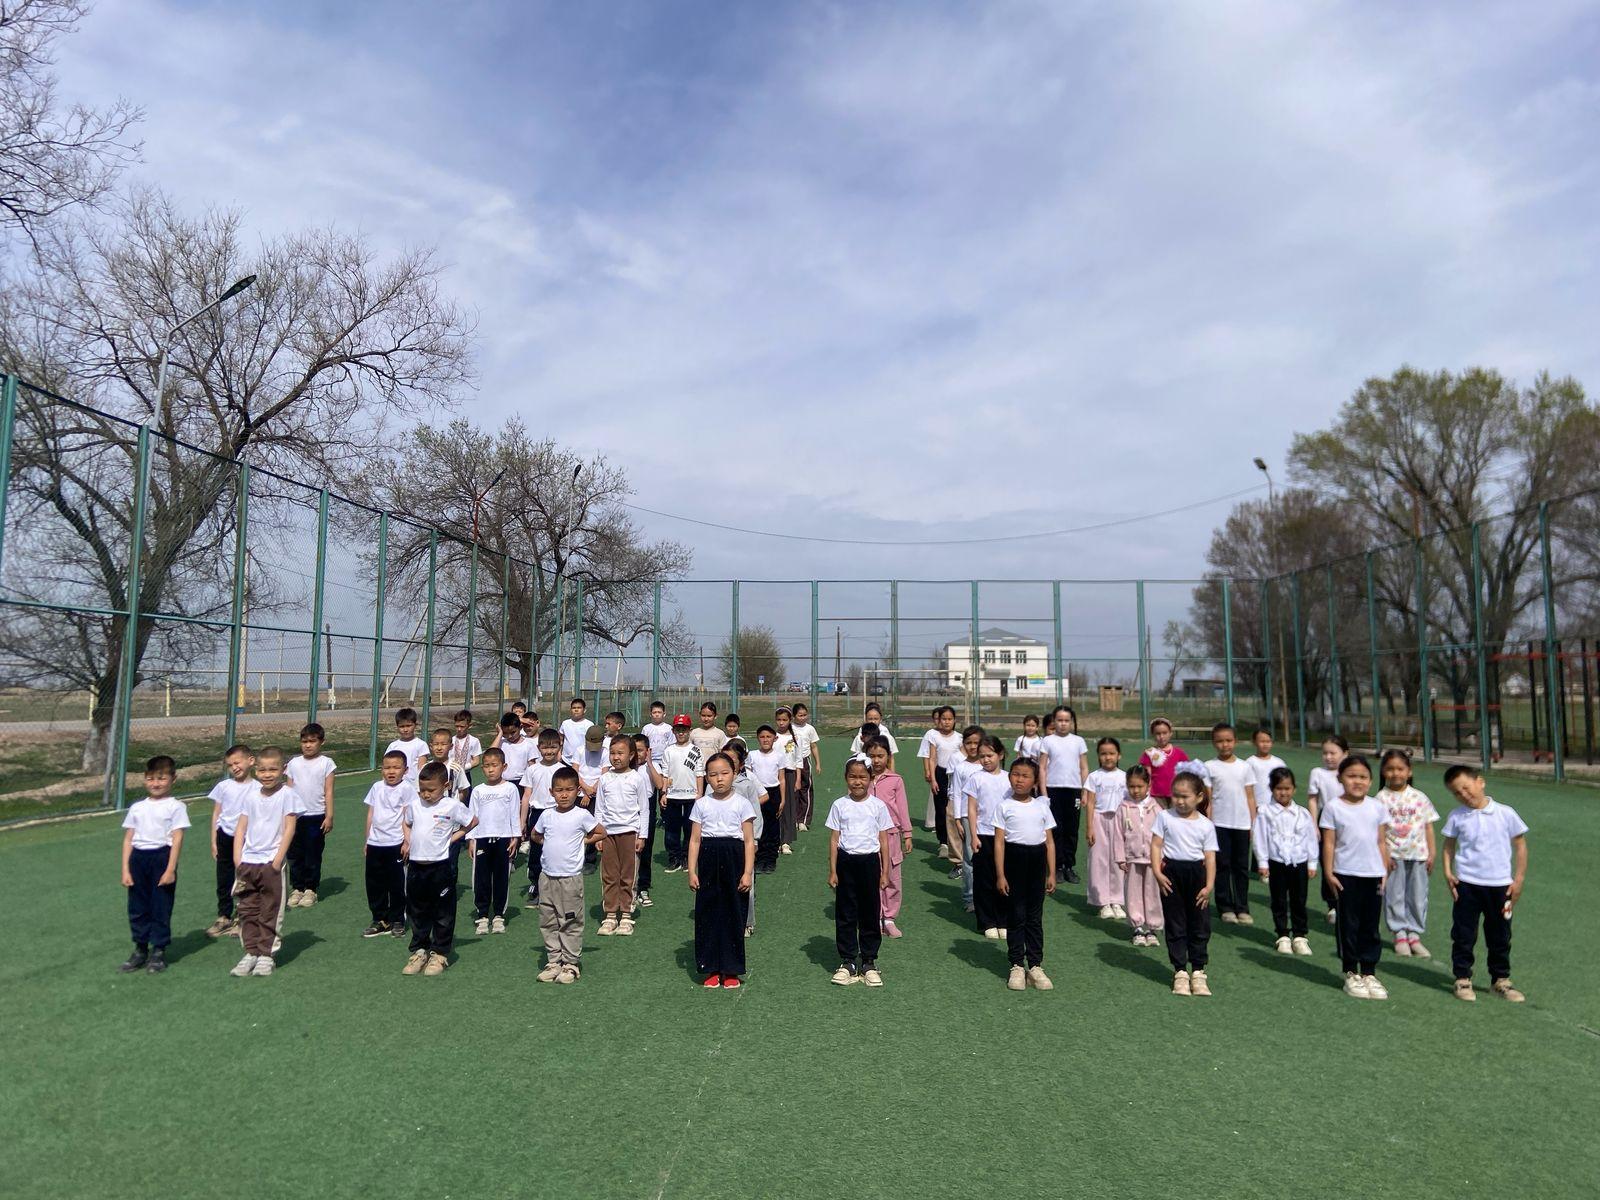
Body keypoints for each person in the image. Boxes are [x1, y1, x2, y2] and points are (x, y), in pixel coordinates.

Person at [1441, 764, 1529, 1003]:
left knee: (1500, 934)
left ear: (1480, 782)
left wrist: (1518, 879)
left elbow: (1520, 846)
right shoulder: (1457, 816)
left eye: (1466, 787)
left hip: (1500, 886)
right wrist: (1448, 872)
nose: (1464, 794)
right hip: (1467, 885)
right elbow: (1448, 846)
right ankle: (1462, 978)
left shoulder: (1505, 813)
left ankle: (1500, 980)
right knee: (1464, 933)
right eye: (1457, 792)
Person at [1319, 755, 1392, 1000]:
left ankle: (1369, 972)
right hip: (1345, 874)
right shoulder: (1333, 807)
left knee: (1370, 925)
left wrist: (1384, 871)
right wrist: (1328, 872)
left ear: (1370, 781)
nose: (1357, 781)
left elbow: (1381, 841)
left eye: (1363, 777)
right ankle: (1351, 971)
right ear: (1340, 779)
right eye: (1351, 776)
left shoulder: (1377, 807)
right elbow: (1329, 843)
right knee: (1348, 924)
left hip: (1373, 874)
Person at [231, 746, 302, 978]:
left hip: (271, 862)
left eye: (273, 769)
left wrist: (278, 859)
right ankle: (250, 952)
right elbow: (241, 827)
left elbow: (290, 827)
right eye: (262, 770)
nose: (267, 774)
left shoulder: (288, 795)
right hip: (248, 863)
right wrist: (238, 857)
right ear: (256, 770)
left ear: (283, 770)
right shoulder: (251, 795)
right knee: (247, 909)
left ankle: (266, 954)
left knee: (270, 909)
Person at [400, 761, 475, 976]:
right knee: (417, 910)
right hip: (416, 866)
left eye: (431, 790)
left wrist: (452, 839)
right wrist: (408, 840)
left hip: (440, 867)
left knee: (443, 912)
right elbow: (406, 822)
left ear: (446, 786)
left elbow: (472, 822)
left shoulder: (452, 806)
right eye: (422, 789)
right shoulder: (415, 805)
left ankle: (440, 953)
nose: (426, 794)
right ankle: (419, 950)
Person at [689, 752, 757, 989]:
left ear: (734, 774)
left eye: (725, 773)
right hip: (708, 858)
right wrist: (692, 871)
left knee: (733, 913)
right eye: (713, 774)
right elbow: (695, 840)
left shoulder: (742, 803)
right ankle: (710, 967)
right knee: (708, 913)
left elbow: (749, 841)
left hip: (734, 858)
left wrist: (747, 872)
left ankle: (731, 969)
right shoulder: (701, 804)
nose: (719, 779)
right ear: (706, 778)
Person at [826, 759, 894, 987]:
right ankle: (848, 961)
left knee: (870, 912)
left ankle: (868, 961)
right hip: (846, 862)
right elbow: (834, 839)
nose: (858, 782)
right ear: (846, 778)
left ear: (871, 779)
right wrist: (833, 870)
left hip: (870, 863)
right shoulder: (839, 805)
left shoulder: (878, 806)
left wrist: (885, 872)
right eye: (853, 777)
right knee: (846, 912)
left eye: (863, 777)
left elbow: (883, 840)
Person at [119, 755, 189, 974]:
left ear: (173, 779)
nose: (155, 783)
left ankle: (158, 950)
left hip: (161, 858)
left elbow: (177, 838)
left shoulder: (176, 807)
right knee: (137, 907)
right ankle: (140, 949)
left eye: (161, 778)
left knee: (160, 905)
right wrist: (125, 869)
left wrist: (170, 869)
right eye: (150, 778)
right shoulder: (137, 807)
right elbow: (129, 839)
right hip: (138, 859)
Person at [533, 767, 603, 984]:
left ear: (577, 791)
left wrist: (581, 842)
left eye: (569, 790)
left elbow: (601, 832)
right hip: (547, 877)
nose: (564, 795)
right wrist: (549, 843)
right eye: (559, 790)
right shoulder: (547, 815)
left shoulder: (581, 815)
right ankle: (554, 961)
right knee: (548, 920)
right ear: (551, 792)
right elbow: (535, 835)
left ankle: (570, 963)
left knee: (570, 920)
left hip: (570, 878)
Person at [1151, 771, 1217, 996]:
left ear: (1199, 797)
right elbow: (1156, 845)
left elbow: (1210, 857)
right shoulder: (1164, 817)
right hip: (1171, 874)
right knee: (1175, 921)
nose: (1179, 801)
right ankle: (1180, 971)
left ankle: (1198, 971)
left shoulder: (1206, 825)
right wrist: (1157, 873)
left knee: (1199, 923)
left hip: (1197, 875)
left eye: (1185, 796)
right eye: (1176, 795)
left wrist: (1209, 886)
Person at [994, 758, 1056, 990]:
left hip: (1037, 862)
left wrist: (1051, 873)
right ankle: (1017, 965)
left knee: (1034, 916)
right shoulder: (1004, 806)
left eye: (1025, 776)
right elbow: (999, 843)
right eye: (1015, 774)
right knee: (1016, 914)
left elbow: (1049, 842)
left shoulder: (1041, 806)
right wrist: (1001, 875)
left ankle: (1036, 965)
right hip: (1014, 860)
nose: (1019, 780)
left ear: (1035, 781)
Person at [1376, 749, 1439, 958]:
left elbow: (1428, 826)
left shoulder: (1419, 797)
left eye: (1400, 769)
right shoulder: (1381, 798)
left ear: (1409, 771)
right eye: (1390, 769)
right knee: (1394, 895)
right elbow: (1379, 830)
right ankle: (1400, 934)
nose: (1395, 773)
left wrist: (1432, 852)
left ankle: (1414, 934)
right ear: (1383, 772)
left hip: (1418, 854)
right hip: (1393, 855)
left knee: (1418, 895)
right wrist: (1384, 855)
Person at [1251, 766, 1317, 956]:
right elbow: (1260, 838)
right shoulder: (1265, 812)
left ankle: (1300, 935)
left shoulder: (1302, 813)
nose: (1283, 792)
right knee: (1279, 900)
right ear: (1272, 789)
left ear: (1294, 789)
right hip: (1276, 862)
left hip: (1299, 862)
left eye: (1287, 788)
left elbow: (1311, 838)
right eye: (1279, 788)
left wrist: (1312, 862)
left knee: (1299, 899)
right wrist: (1262, 862)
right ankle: (1282, 935)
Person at [594, 736, 648, 936]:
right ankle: (610, 915)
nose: (615, 757)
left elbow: (645, 809)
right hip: (608, 834)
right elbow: (599, 809)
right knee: (609, 875)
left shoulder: (636, 778)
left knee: (628, 876)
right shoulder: (605, 778)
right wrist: (598, 835)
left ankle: (626, 914)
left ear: (631, 755)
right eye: (612, 753)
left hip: (630, 833)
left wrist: (642, 836)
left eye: (620, 753)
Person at [1205, 722, 1258, 925]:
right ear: (1213, 743)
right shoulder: (1209, 767)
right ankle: (1225, 907)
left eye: (1228, 740)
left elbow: (1250, 796)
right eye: (1220, 741)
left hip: (1242, 824)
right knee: (1222, 865)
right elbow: (1208, 799)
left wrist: (1253, 822)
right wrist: (1208, 824)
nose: (1224, 745)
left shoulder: (1245, 767)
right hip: (1219, 824)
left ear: (1235, 741)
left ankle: (1242, 907)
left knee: (1241, 867)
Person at [361, 750, 415, 938]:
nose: (391, 771)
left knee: (397, 884)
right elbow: (371, 814)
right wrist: (368, 840)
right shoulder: (377, 787)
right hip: (375, 844)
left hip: (396, 843)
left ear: (405, 770)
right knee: (374, 883)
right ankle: (380, 919)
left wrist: (407, 841)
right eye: (387, 767)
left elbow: (408, 817)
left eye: (396, 767)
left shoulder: (407, 789)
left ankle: (398, 919)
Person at [466, 747, 520, 936]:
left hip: (503, 839)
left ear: (503, 767)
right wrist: (471, 839)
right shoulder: (478, 790)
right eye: (487, 766)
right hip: (481, 839)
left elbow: (514, 814)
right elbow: (472, 816)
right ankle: (482, 915)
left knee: (501, 878)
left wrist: (515, 837)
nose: (490, 769)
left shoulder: (510, 789)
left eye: (494, 765)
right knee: (480, 878)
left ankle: (498, 915)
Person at [205, 744, 254, 939]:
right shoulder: (223, 786)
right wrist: (213, 840)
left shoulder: (258, 788)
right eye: (230, 765)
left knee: (245, 879)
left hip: (247, 839)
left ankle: (243, 917)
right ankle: (224, 916)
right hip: (224, 837)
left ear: (250, 761)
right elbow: (216, 813)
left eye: (237, 762)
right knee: (224, 879)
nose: (234, 767)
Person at [965, 735, 1012, 940]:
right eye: (982, 756)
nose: (985, 760)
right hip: (983, 834)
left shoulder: (1010, 778)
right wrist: (973, 835)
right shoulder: (976, 778)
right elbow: (972, 808)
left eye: (990, 755)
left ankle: (1003, 920)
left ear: (1000, 755)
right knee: (984, 879)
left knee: (1004, 877)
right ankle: (987, 921)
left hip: (1006, 836)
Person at [285, 722, 336, 909]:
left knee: (312, 854)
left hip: (316, 816)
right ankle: (297, 888)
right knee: (294, 854)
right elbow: (288, 791)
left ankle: (310, 889)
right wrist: (285, 816)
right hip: (295, 817)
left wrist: (329, 816)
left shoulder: (327, 763)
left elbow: (328, 791)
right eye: (304, 741)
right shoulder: (293, 763)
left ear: (321, 742)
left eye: (312, 741)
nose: (308, 745)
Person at [866, 737, 912, 939]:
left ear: (888, 757)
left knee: (892, 876)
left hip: (892, 835)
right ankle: (875, 917)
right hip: (868, 836)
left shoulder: (896, 780)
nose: (876, 760)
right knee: (873, 876)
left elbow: (902, 807)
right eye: (872, 756)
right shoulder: (862, 778)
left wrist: (907, 833)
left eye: (880, 756)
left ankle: (890, 918)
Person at [1112, 765, 1163, 946]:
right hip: (1132, 858)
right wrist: (1120, 857)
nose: (1135, 790)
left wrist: (1162, 856)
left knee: (1152, 892)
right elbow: (1118, 834)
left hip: (1153, 859)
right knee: (1133, 893)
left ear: (1148, 785)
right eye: (1132, 786)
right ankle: (1138, 927)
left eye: (1140, 786)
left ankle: (1152, 928)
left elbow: (1163, 834)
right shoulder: (1123, 807)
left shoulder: (1156, 808)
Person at [1038, 706, 1089, 883]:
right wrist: (1044, 793)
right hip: (1053, 789)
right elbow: (1042, 768)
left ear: (1072, 722)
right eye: (1059, 720)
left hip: (1073, 790)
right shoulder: (1047, 741)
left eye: (1067, 720)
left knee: (1071, 829)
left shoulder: (1079, 741)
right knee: (1056, 829)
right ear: (1054, 721)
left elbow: (1084, 768)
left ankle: (1069, 866)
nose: (1063, 723)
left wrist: (1084, 791)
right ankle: (1057, 866)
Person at [1084, 737, 1129, 918]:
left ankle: (1117, 901)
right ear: (1098, 756)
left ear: (1119, 755)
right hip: (1099, 819)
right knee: (1099, 861)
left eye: (1112, 753)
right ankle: (1103, 902)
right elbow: (1090, 803)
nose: (1108, 757)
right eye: (1103, 754)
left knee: (1119, 860)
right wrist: (1089, 827)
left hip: (1120, 821)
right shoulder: (1094, 777)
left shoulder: (1125, 776)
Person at [1307, 734, 1349, 925]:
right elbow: (1313, 800)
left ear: (1345, 753)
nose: (1328, 757)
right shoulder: (1317, 773)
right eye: (1325, 753)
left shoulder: (1350, 772)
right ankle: (1333, 905)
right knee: (1328, 863)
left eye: (1333, 753)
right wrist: (1314, 824)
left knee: (1346, 861)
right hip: (1326, 820)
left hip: (1348, 820)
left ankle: (1348, 902)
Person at [655, 714, 704, 872]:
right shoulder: (669, 750)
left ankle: (687, 858)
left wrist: (699, 795)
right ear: (673, 731)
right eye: (678, 730)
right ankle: (674, 858)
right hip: (673, 796)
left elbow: (699, 774)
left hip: (691, 797)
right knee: (671, 830)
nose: (681, 733)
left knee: (690, 829)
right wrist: (663, 793)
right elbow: (665, 774)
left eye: (684, 729)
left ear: (689, 731)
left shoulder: (696, 750)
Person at [725, 741, 765, 937]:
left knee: (745, 882)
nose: (727, 763)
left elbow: (755, 814)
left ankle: (747, 921)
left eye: (732, 760)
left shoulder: (747, 785)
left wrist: (755, 840)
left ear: (740, 764)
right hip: (721, 843)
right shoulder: (712, 786)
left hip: (743, 842)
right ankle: (726, 920)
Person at [520, 729, 563, 903]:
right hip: (537, 814)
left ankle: (556, 887)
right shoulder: (532, 769)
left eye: (553, 747)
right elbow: (526, 796)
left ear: (559, 747)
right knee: (536, 851)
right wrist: (522, 821)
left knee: (556, 851)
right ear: (538, 748)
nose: (549, 751)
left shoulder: (563, 770)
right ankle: (536, 885)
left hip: (557, 813)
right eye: (545, 748)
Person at [948, 725, 986, 912]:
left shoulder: (988, 766)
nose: (972, 746)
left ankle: (987, 896)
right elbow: (955, 793)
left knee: (987, 858)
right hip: (965, 816)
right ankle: (970, 898)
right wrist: (957, 819)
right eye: (968, 743)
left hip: (987, 818)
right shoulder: (960, 767)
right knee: (970, 859)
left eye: (976, 743)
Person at [917, 706, 960, 854]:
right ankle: (943, 843)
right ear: (939, 720)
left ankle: (956, 840)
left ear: (954, 720)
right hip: (940, 774)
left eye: (950, 719)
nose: (947, 722)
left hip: (956, 776)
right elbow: (932, 758)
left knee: (955, 809)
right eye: (944, 719)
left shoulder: (960, 738)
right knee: (941, 810)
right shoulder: (934, 736)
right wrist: (933, 779)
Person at [746, 724, 787, 872]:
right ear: (758, 739)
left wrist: (783, 799)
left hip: (774, 793)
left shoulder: (779, 755)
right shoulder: (752, 755)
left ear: (774, 738)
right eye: (762, 737)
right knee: (758, 826)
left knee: (772, 827)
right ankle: (759, 859)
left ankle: (770, 860)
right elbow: (749, 777)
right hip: (758, 793)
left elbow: (781, 779)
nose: (765, 740)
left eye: (768, 737)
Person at [631, 732, 658, 910]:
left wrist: (649, 763)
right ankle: (629, 889)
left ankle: (643, 887)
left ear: (648, 751)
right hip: (631, 811)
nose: (638, 754)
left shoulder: (652, 767)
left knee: (645, 850)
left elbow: (660, 784)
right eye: (634, 750)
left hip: (648, 809)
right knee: (630, 852)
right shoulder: (627, 769)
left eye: (641, 750)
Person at [1137, 717, 1190, 806]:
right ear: (1153, 735)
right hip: (1156, 795)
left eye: (1164, 733)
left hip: (1176, 794)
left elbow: (1187, 773)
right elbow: (1146, 775)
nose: (1161, 737)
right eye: (1158, 734)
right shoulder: (1149, 753)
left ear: (1170, 733)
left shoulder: (1179, 753)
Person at [789, 701, 822, 831]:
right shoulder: (790, 728)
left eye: (805, 715)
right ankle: (792, 819)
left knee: (806, 789)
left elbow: (814, 746)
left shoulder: (810, 729)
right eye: (800, 715)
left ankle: (803, 820)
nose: (803, 718)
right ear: (794, 716)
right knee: (792, 791)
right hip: (791, 762)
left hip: (804, 761)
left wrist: (818, 763)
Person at [774, 706, 803, 849]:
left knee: (788, 807)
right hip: (774, 774)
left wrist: (798, 779)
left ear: (790, 720)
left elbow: (798, 759)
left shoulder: (795, 737)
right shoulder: (773, 736)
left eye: (784, 720)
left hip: (789, 774)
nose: (781, 723)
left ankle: (786, 841)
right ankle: (775, 839)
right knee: (776, 806)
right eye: (778, 719)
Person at [386, 707, 428, 785]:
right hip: (396, 785)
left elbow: (422, 770)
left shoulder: (421, 745)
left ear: (415, 725)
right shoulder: (393, 746)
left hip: (414, 786)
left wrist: (419, 787)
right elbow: (387, 767)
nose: (405, 729)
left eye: (408, 726)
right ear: (397, 727)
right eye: (402, 726)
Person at [1245, 727, 1285, 808]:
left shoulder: (1279, 763)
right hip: (1258, 805)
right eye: (1262, 741)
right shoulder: (1249, 763)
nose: (1265, 744)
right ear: (1254, 742)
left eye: (1268, 741)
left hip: (1276, 805)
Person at [850, 702, 898, 769]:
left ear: (880, 718)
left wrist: (892, 774)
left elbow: (891, 759)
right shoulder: (860, 737)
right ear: (865, 718)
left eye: (876, 719)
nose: (873, 721)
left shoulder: (887, 737)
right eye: (870, 719)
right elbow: (856, 757)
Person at [450, 708, 482, 786]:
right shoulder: (451, 740)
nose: (459, 729)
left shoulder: (474, 741)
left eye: (462, 726)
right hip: (450, 774)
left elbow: (476, 761)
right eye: (457, 726)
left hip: (465, 774)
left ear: (469, 726)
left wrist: (463, 768)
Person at [558, 697, 593, 765]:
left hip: (582, 760)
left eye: (579, 708)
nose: (576, 710)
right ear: (570, 710)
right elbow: (560, 740)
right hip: (566, 760)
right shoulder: (565, 723)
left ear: (584, 710)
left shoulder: (589, 724)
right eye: (574, 708)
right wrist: (559, 753)